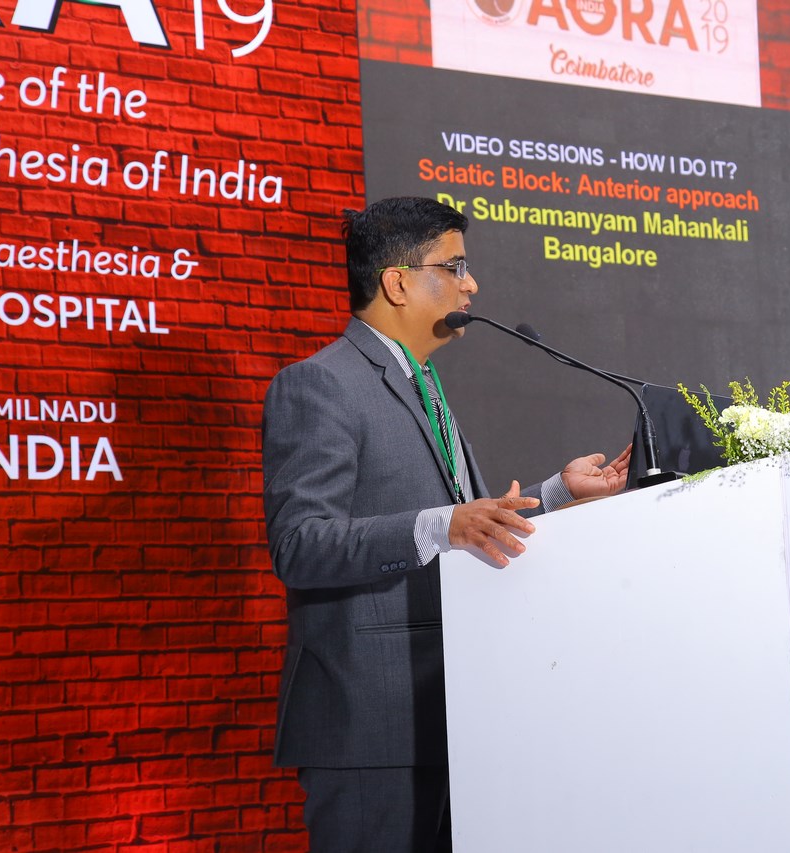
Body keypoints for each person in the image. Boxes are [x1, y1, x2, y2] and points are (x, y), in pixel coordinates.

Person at [261, 196, 630, 852]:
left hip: (458, 712)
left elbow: (463, 522)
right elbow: (301, 544)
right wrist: (442, 525)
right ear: (397, 283)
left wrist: (557, 492)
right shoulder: (320, 385)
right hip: (371, 724)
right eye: (455, 266)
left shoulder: (423, 385)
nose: (472, 284)